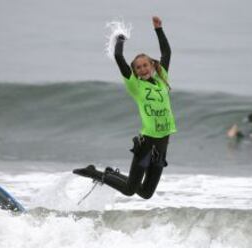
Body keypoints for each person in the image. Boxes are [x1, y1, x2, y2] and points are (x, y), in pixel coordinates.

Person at [73, 16, 177, 199]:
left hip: (162, 145)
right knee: (129, 190)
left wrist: (158, 30)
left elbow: (167, 53)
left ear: (152, 65)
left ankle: (111, 173)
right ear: (135, 71)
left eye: (145, 65)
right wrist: (120, 38)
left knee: (146, 193)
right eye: (138, 67)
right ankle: (94, 173)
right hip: (147, 145)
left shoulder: (162, 79)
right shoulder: (135, 86)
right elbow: (118, 57)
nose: (143, 69)